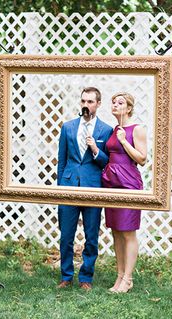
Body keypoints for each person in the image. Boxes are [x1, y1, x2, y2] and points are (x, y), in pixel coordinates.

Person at [57, 87, 113, 291]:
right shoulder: (68, 127)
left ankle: (86, 278)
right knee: (66, 235)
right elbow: (61, 161)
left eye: (90, 101)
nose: (86, 105)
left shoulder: (106, 130)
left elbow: (107, 163)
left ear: (98, 104)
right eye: (83, 101)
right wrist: (60, 188)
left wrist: (96, 150)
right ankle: (66, 276)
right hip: (69, 185)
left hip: (93, 187)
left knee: (91, 236)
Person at [102, 92, 147, 293]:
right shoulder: (114, 129)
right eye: (113, 102)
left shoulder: (136, 129)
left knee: (128, 231)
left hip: (129, 183)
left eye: (120, 102)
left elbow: (142, 159)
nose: (115, 105)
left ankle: (128, 279)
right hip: (111, 183)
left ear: (128, 108)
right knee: (116, 231)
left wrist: (124, 141)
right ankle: (119, 276)